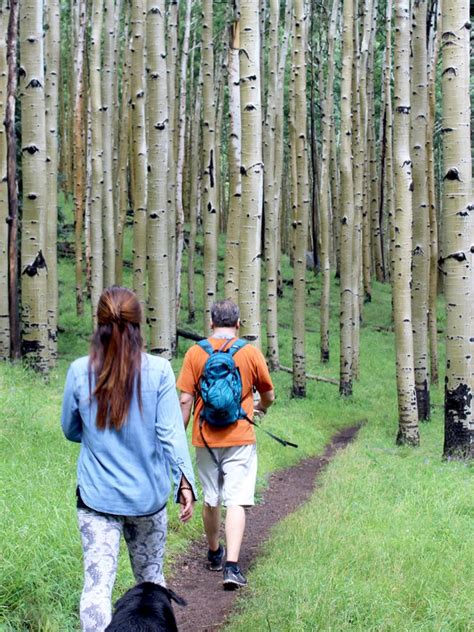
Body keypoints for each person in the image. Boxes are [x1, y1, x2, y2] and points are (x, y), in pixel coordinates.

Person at [61, 286, 197, 632]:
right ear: (139, 326)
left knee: (96, 588)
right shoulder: (160, 370)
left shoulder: (79, 371)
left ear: (99, 324)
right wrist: (185, 481)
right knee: (152, 580)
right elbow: (170, 433)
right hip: (147, 500)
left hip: (97, 500)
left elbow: (70, 429)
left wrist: (95, 438)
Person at [177, 299, 275, 590]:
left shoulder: (195, 353)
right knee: (236, 499)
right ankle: (232, 567)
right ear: (238, 323)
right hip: (240, 436)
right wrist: (260, 407)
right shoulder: (249, 352)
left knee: (211, 497)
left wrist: (176, 439)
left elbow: (185, 400)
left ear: (211, 323)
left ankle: (213, 552)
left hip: (204, 437)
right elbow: (268, 394)